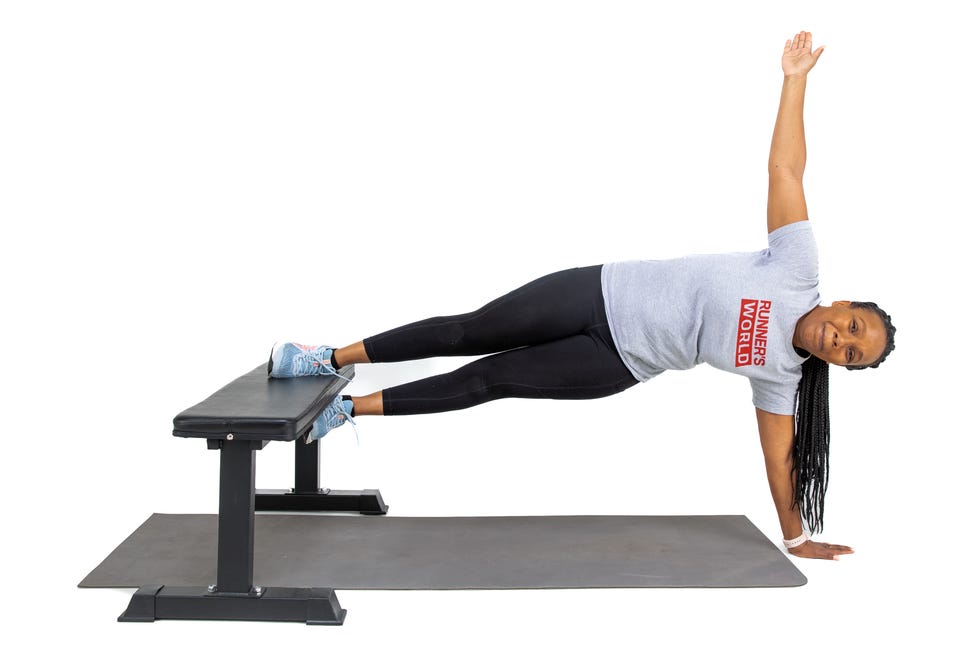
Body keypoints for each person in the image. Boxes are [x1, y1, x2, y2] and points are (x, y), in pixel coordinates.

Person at [268, 32, 895, 562]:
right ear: (843, 306)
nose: (841, 342)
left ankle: (348, 411)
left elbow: (777, 453)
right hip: (600, 290)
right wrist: (793, 81)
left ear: (839, 367)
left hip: (618, 363)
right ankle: (328, 356)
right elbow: (785, 172)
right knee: (470, 329)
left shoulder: (783, 376)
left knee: (493, 379)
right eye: (853, 330)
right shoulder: (796, 267)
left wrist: (795, 536)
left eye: (851, 355)